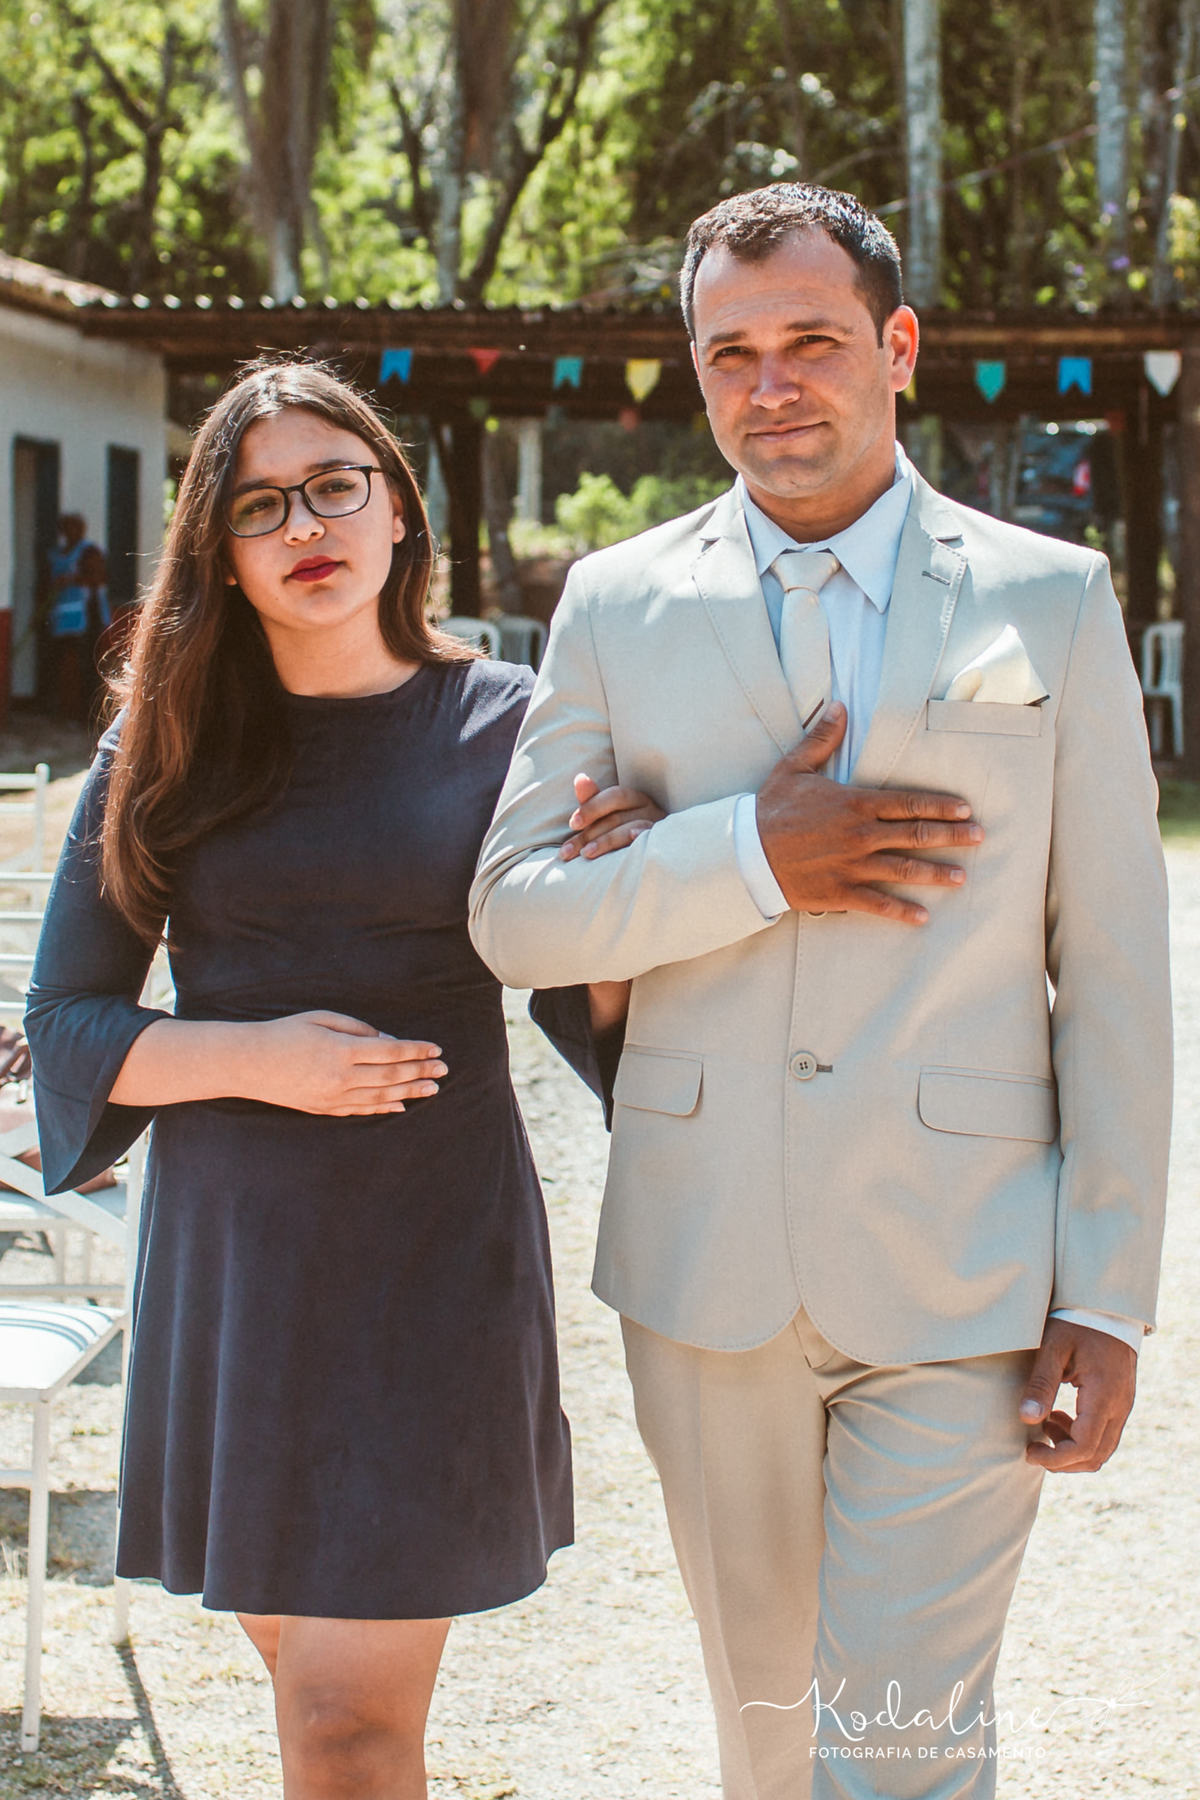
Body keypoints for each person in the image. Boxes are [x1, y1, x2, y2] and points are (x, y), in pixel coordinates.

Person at [469, 184, 1171, 1798]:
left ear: (897, 347)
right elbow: (514, 914)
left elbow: (1119, 973)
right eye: (731, 353)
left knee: (903, 1754)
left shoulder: (1046, 600)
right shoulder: (615, 605)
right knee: (770, 1746)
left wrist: (1109, 1293)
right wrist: (749, 853)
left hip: (966, 1272)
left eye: (810, 342)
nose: (769, 385)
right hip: (703, 1261)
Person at [24, 360, 655, 1800]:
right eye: (259, 506)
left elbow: (594, 1011)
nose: (304, 522)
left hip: (431, 1256)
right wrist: (263, 1059)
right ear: (221, 556)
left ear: (395, 510)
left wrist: (616, 896)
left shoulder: (513, 725)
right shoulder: (162, 740)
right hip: (236, 1268)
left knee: (346, 1728)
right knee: (309, 1703)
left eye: (334, 484)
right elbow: (65, 1022)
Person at [45, 512, 110, 720]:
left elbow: (99, 578)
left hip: (86, 618)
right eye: (67, 528)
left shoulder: (89, 552)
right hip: (61, 618)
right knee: (62, 664)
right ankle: (64, 710)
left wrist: (73, 580)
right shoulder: (56, 554)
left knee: (86, 666)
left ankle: (86, 714)